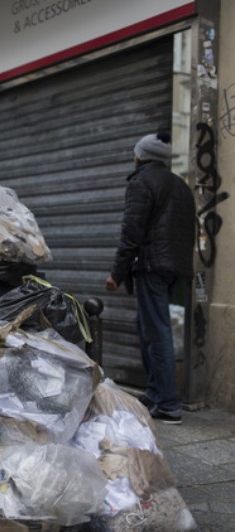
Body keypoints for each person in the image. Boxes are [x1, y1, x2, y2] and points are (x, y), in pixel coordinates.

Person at [105, 132, 195, 425]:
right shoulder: (181, 185)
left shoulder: (141, 182)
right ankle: (156, 392)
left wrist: (116, 274)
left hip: (154, 267)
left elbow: (131, 231)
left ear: (140, 156)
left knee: (157, 333)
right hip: (178, 270)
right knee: (147, 326)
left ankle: (168, 404)